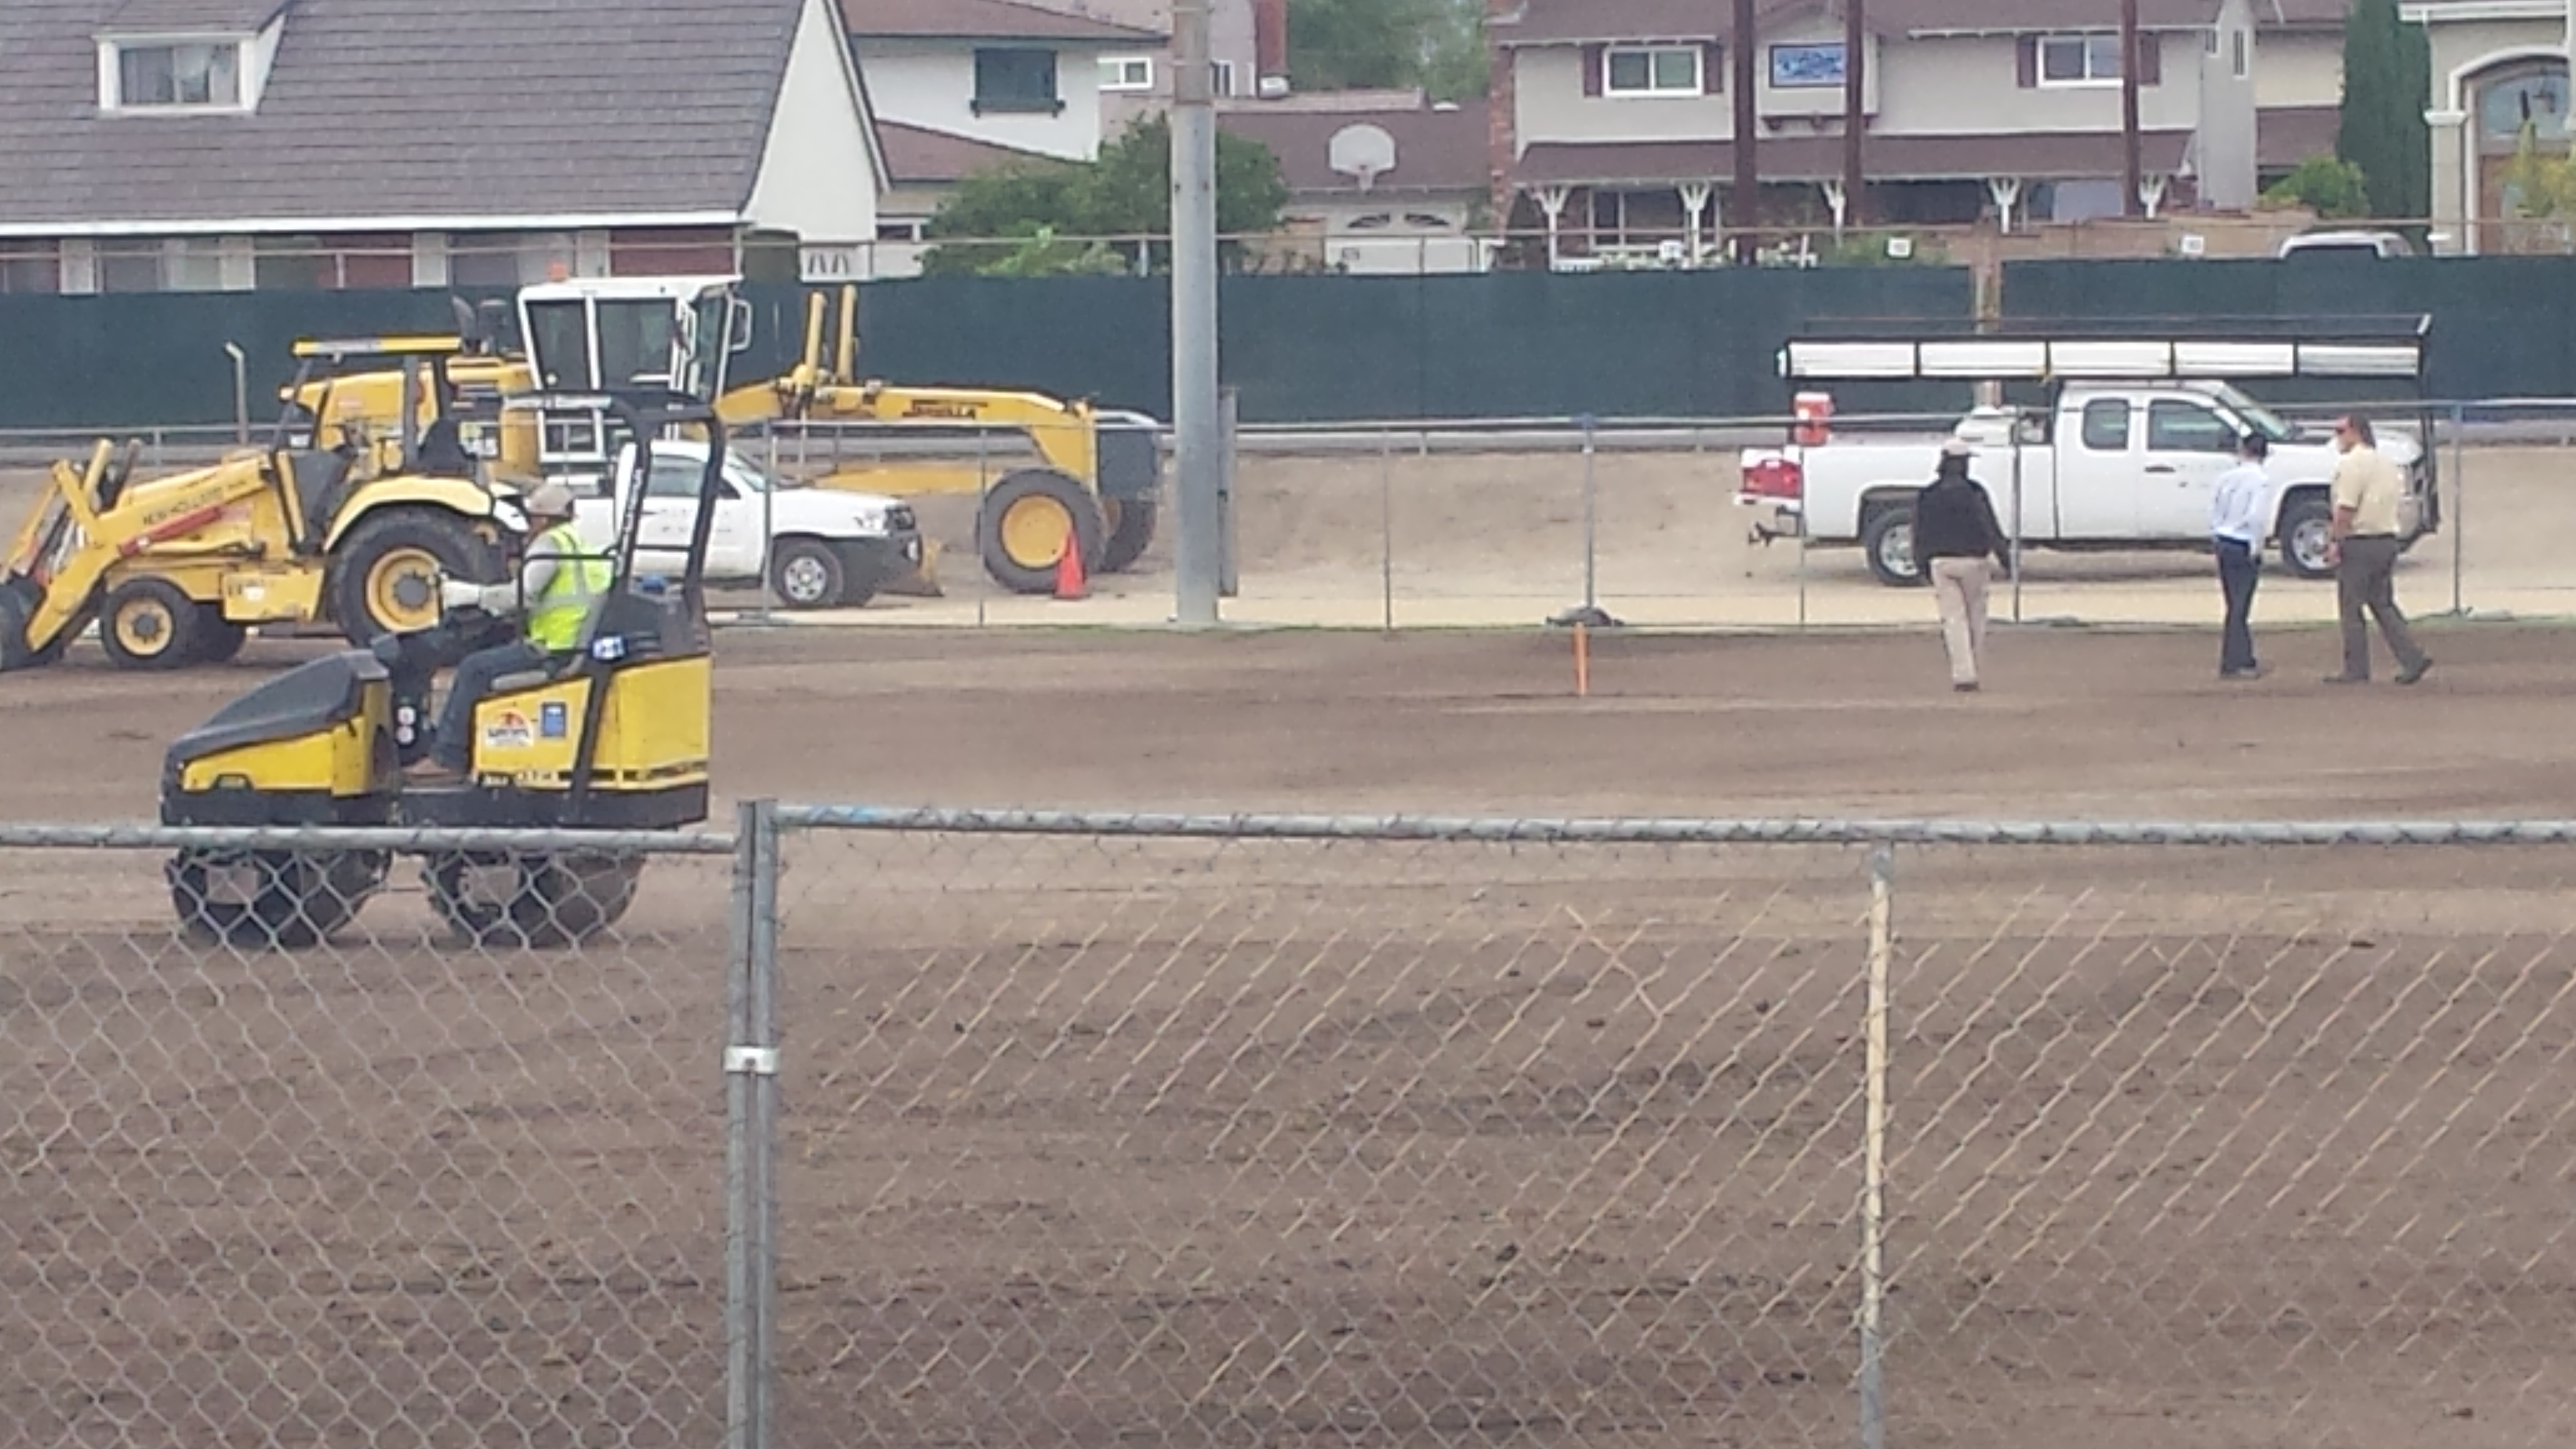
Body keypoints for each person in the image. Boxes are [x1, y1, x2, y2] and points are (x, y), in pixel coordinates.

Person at [407, 481, 609, 782]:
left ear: (542, 518)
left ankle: (448, 757)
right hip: (571, 642)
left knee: (473, 668)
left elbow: (522, 597)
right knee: (488, 655)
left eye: (531, 518)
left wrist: (471, 595)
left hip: (552, 649)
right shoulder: (579, 543)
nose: (527, 526)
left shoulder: (549, 545)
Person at [2325, 414, 2431, 686]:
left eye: (2340, 431)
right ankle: (2412, 657)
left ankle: (2356, 669)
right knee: (2383, 604)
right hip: (2386, 540)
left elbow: (2346, 508)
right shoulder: (2387, 464)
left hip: (2360, 541)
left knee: (2351, 607)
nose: (2337, 437)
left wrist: (2336, 541)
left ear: (2356, 432)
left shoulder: (2351, 465)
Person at [1915, 438, 2013, 693]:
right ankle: (1973, 667)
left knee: (1953, 619)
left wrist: (1922, 564)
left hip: (1941, 562)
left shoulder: (1928, 494)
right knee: (1976, 618)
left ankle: (1963, 673)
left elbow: (1919, 532)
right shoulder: (1975, 492)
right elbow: (1989, 526)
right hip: (1974, 561)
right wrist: (2005, 558)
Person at [2209, 430, 2273, 680]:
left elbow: (2215, 508)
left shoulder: (2226, 478)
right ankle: (2235, 661)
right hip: (2243, 542)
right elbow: (2257, 517)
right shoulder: (2260, 480)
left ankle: (2242, 657)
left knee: (2233, 603)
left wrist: (2216, 532)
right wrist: (2257, 547)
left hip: (2224, 540)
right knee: (2240, 605)